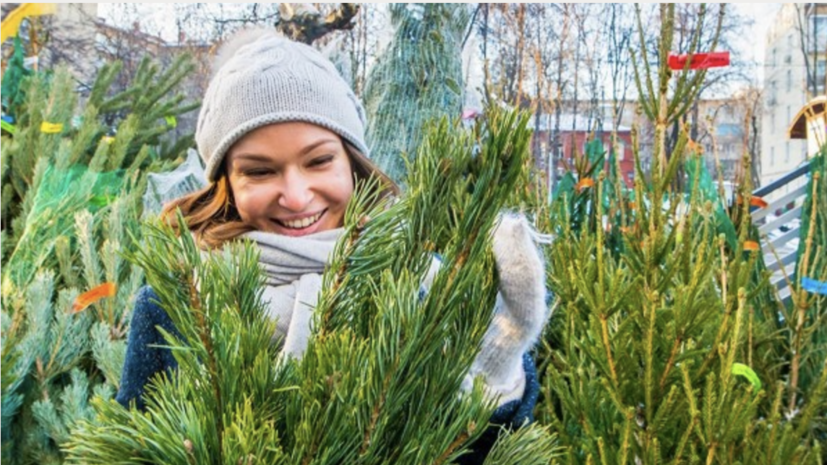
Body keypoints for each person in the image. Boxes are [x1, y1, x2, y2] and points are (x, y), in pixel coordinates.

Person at [116, 27, 550, 463]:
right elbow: (130, 449)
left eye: (319, 160)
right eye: (260, 171)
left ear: (353, 162)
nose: (296, 196)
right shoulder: (176, 302)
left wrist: (492, 378)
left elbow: (487, 454)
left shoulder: (425, 287)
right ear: (226, 182)